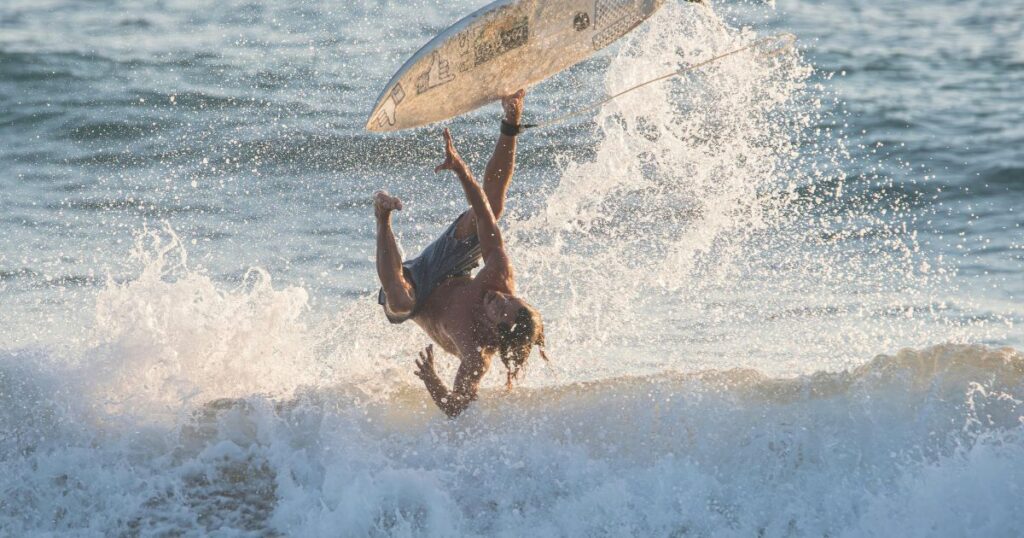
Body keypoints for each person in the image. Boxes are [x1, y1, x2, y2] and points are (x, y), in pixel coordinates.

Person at [374, 90, 547, 418]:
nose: (500, 300)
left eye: (501, 313)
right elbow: (483, 216)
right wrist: (461, 169)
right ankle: (511, 119)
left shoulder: (475, 355)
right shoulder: (500, 279)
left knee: (398, 300)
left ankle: (382, 216)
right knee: (494, 209)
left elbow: (456, 406)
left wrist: (431, 380)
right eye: (512, 301)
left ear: (496, 333)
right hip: (450, 268)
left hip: (419, 296)